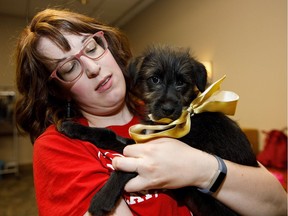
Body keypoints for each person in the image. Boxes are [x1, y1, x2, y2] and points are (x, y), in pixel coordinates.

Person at [14, 8, 286, 216]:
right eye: (69, 67)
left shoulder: (174, 119)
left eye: (91, 46)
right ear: (59, 89)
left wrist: (202, 169)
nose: (92, 67)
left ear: (107, 44)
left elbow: (279, 204)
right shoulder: (57, 147)